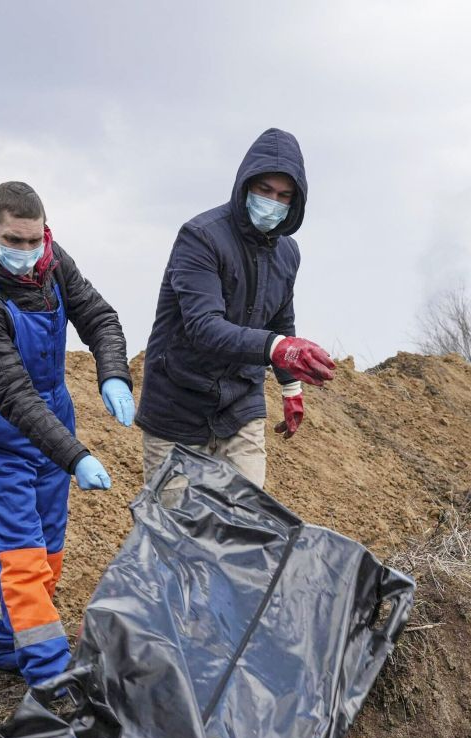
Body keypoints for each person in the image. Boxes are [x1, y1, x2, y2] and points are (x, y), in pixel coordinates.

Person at [0, 181, 132, 688]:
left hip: (52, 420)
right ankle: (51, 681)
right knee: (22, 562)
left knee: (48, 554)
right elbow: (11, 391)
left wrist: (112, 370)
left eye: (34, 240)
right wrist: (76, 456)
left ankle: (8, 646)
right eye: (14, 240)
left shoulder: (54, 263)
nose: (26, 253)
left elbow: (99, 316)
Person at [137, 128, 336, 487]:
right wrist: (276, 348)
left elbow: (280, 319)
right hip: (178, 403)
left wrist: (290, 388)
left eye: (284, 196)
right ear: (245, 186)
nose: (272, 201)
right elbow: (203, 326)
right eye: (264, 190)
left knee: (247, 527)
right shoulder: (200, 238)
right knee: (176, 533)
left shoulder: (287, 253)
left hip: (240, 403)